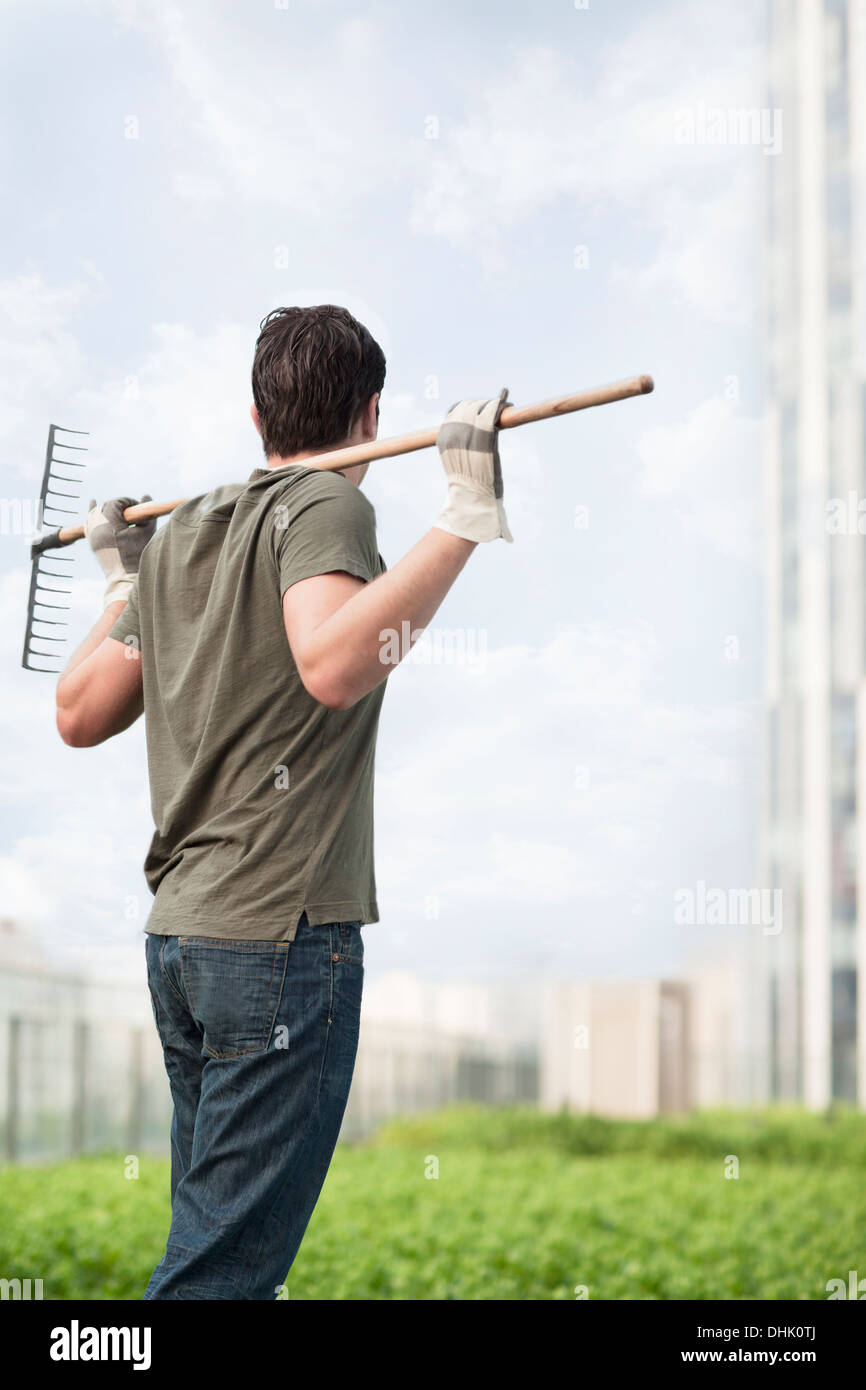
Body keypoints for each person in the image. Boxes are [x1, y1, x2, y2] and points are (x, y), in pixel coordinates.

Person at [55, 303, 513, 1300]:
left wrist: (120, 585)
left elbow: (80, 709)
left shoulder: (181, 538)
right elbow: (334, 661)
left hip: (183, 944)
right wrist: (462, 514)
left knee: (213, 1244)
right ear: (370, 413)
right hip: (278, 938)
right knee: (219, 1278)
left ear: (257, 414)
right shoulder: (325, 505)